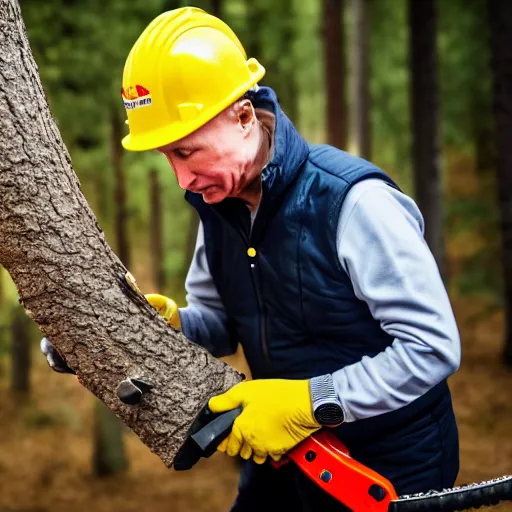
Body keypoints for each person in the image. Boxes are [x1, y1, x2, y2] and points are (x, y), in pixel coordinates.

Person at [42, 6, 461, 511]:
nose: (183, 180)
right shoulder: (218, 205)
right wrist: (169, 325)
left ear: (243, 116)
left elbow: (433, 347)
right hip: (284, 459)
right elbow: (222, 326)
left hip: (389, 468)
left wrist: (312, 402)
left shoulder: (352, 202)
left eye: (188, 151)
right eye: (168, 157)